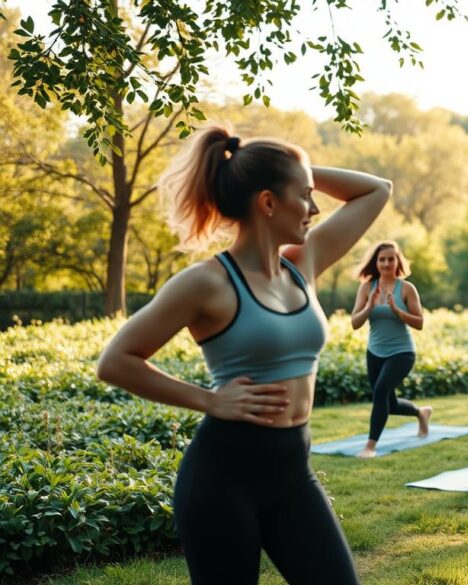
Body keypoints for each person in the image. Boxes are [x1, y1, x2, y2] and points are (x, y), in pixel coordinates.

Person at [96, 125, 391, 585]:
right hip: (222, 480)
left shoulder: (303, 263)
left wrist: (296, 168)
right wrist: (209, 400)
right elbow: (115, 361)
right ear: (268, 203)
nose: (315, 209)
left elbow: (376, 190)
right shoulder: (207, 283)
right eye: (305, 196)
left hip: (293, 474)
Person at [350, 240, 431, 458]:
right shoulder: (367, 287)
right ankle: (420, 412)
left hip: (402, 353)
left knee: (380, 392)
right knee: (389, 403)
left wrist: (396, 310)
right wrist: (369, 306)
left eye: (390, 259)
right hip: (374, 352)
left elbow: (419, 322)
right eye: (382, 259)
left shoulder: (406, 288)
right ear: (376, 262)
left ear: (397, 261)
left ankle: (370, 446)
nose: (386, 263)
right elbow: (355, 323)